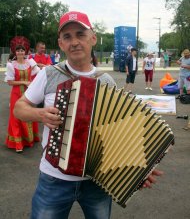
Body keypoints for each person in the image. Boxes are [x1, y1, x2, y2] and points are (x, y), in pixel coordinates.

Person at [14, 11, 163, 219]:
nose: (74, 42)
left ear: (93, 38)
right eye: (67, 37)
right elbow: (19, 108)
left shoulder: (107, 82)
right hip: (53, 178)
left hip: (97, 181)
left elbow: (120, 135)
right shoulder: (48, 74)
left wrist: (139, 169)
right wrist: (40, 114)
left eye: (80, 34)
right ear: (61, 43)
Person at [5, 44, 40, 152]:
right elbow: (10, 82)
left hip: (28, 93)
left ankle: (30, 139)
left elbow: (39, 72)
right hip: (16, 94)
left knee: (29, 114)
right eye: (18, 51)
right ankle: (18, 143)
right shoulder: (11, 65)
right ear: (15, 52)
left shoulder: (30, 62)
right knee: (16, 116)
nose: (20, 52)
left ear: (25, 52)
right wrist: (24, 82)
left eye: (22, 50)